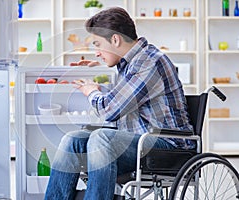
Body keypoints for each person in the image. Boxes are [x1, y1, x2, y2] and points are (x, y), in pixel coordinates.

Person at [44, 7, 194, 200]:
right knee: (72, 140)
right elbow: (125, 100)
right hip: (140, 142)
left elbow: (110, 110)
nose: (96, 53)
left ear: (115, 40)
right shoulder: (130, 64)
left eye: (98, 45)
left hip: (169, 146)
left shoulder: (148, 62)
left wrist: (92, 92)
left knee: (101, 138)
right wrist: (100, 68)